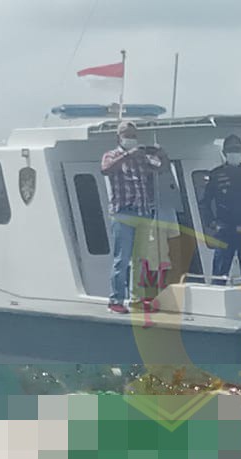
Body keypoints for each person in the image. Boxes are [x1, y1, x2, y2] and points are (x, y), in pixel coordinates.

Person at [101, 121, 165, 314]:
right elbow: (105, 169)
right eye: (127, 135)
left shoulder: (142, 158)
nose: (131, 138)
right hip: (123, 213)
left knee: (141, 260)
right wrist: (128, 155)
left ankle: (137, 300)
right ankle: (116, 300)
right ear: (118, 137)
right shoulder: (111, 155)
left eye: (134, 135)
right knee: (122, 259)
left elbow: (161, 167)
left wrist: (160, 153)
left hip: (142, 213)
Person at [200, 134, 241, 283]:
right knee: (219, 276)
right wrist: (211, 223)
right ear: (224, 153)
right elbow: (205, 202)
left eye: (237, 150)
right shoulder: (216, 175)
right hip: (224, 230)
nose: (234, 153)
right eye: (231, 150)